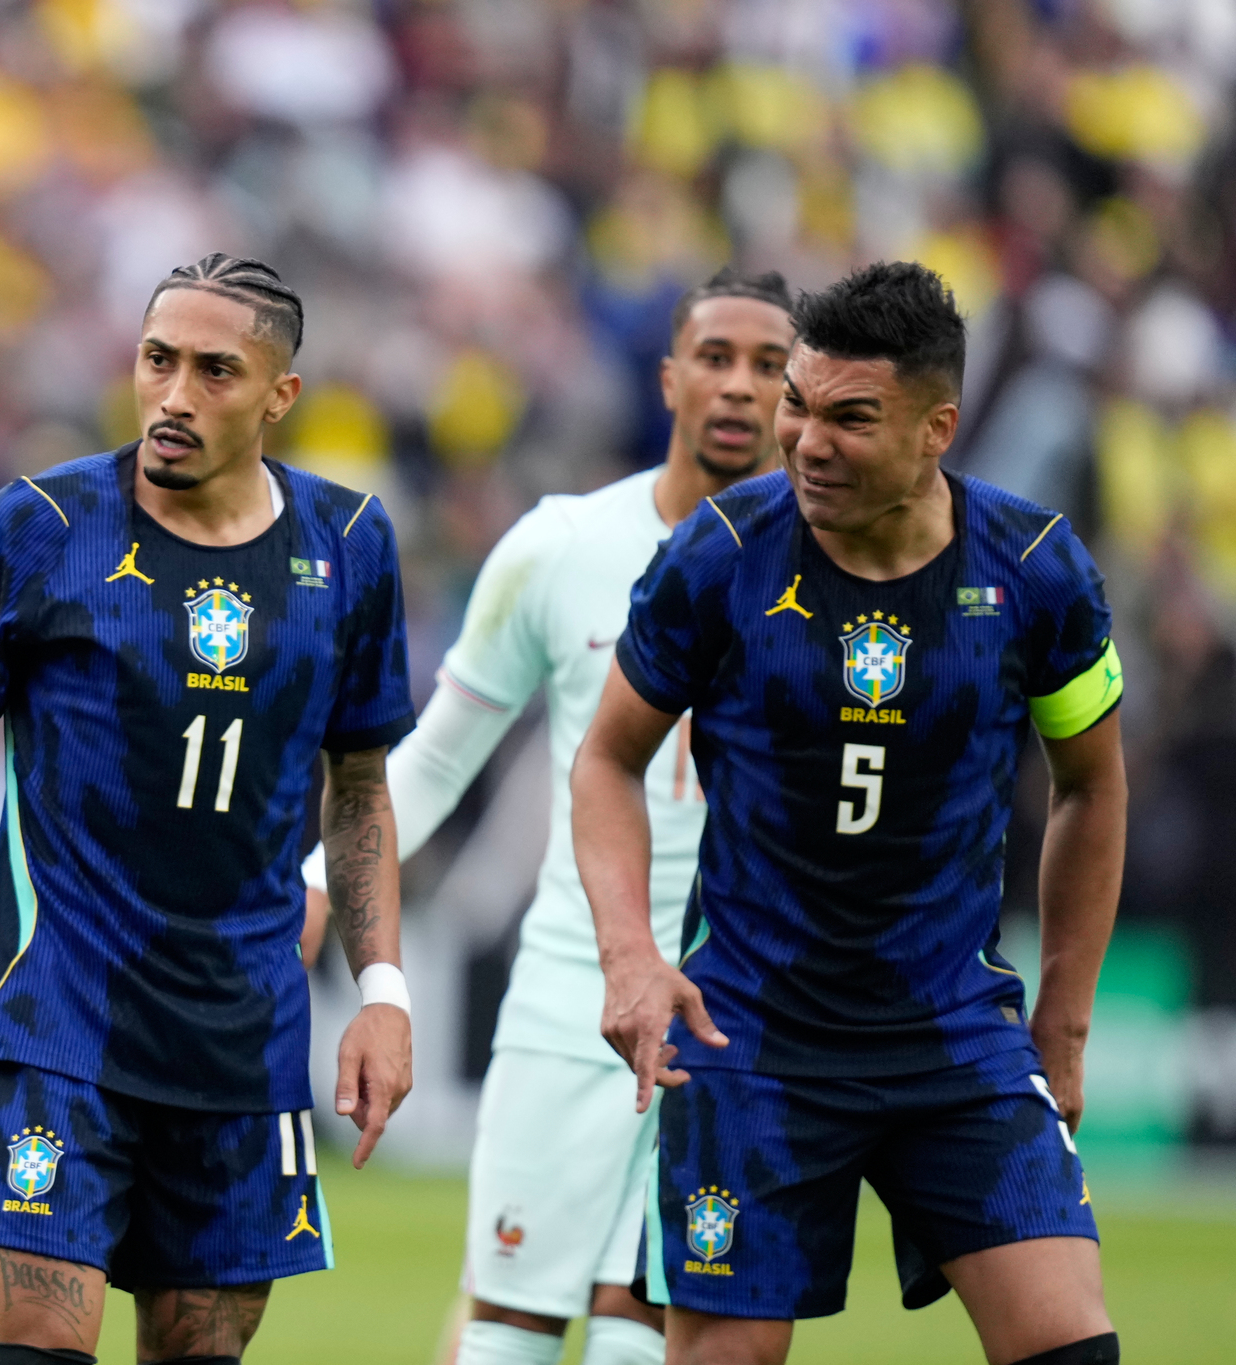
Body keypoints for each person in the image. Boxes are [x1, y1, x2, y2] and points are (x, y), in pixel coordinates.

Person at [0, 253, 417, 1365]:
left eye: (216, 371)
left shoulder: (350, 546)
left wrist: (382, 992)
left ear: (279, 395)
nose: (172, 395)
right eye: (157, 360)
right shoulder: (36, 527)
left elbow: (357, 793)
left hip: (244, 1041)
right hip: (58, 1021)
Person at [573, 262, 1125, 1365]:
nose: (805, 440)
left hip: (953, 1033)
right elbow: (604, 761)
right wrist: (629, 957)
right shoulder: (720, 555)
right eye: (798, 404)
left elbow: (1091, 783)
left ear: (936, 428)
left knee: (1072, 1349)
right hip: (748, 1042)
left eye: (848, 417)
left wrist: (1060, 1024)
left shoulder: (1033, 570)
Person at [298, 267, 795, 1365]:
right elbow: (432, 761)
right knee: (508, 1320)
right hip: (573, 984)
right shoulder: (559, 547)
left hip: (742, 1002)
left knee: (642, 1329)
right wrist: (318, 888)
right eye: (714, 357)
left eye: (769, 366)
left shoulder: (827, 568)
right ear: (667, 377)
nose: (737, 387)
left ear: (799, 396)